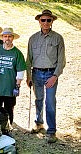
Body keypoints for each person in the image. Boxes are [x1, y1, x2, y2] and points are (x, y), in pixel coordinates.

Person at [26, 9, 66, 143]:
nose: (46, 22)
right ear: (39, 21)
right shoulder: (33, 38)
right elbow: (28, 59)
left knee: (50, 102)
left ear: (52, 21)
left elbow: (62, 60)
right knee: (38, 99)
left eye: (49, 20)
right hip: (36, 73)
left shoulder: (58, 38)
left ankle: (51, 131)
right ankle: (39, 123)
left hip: (51, 74)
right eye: (43, 20)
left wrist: (55, 76)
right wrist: (29, 76)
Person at [0, 28, 26, 134]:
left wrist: (17, 86)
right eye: (5, 36)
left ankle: (8, 129)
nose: (7, 38)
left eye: (9, 36)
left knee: (9, 110)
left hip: (10, 88)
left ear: (12, 38)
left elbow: (20, 71)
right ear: (2, 38)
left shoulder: (17, 53)